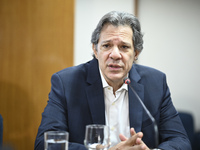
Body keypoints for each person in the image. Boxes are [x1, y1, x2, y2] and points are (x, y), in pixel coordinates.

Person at [34, 11, 191, 150]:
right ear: (95, 50)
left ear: (136, 53)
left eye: (124, 47)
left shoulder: (155, 83)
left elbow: (181, 141)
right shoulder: (66, 83)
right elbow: (45, 143)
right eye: (107, 45)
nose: (115, 55)